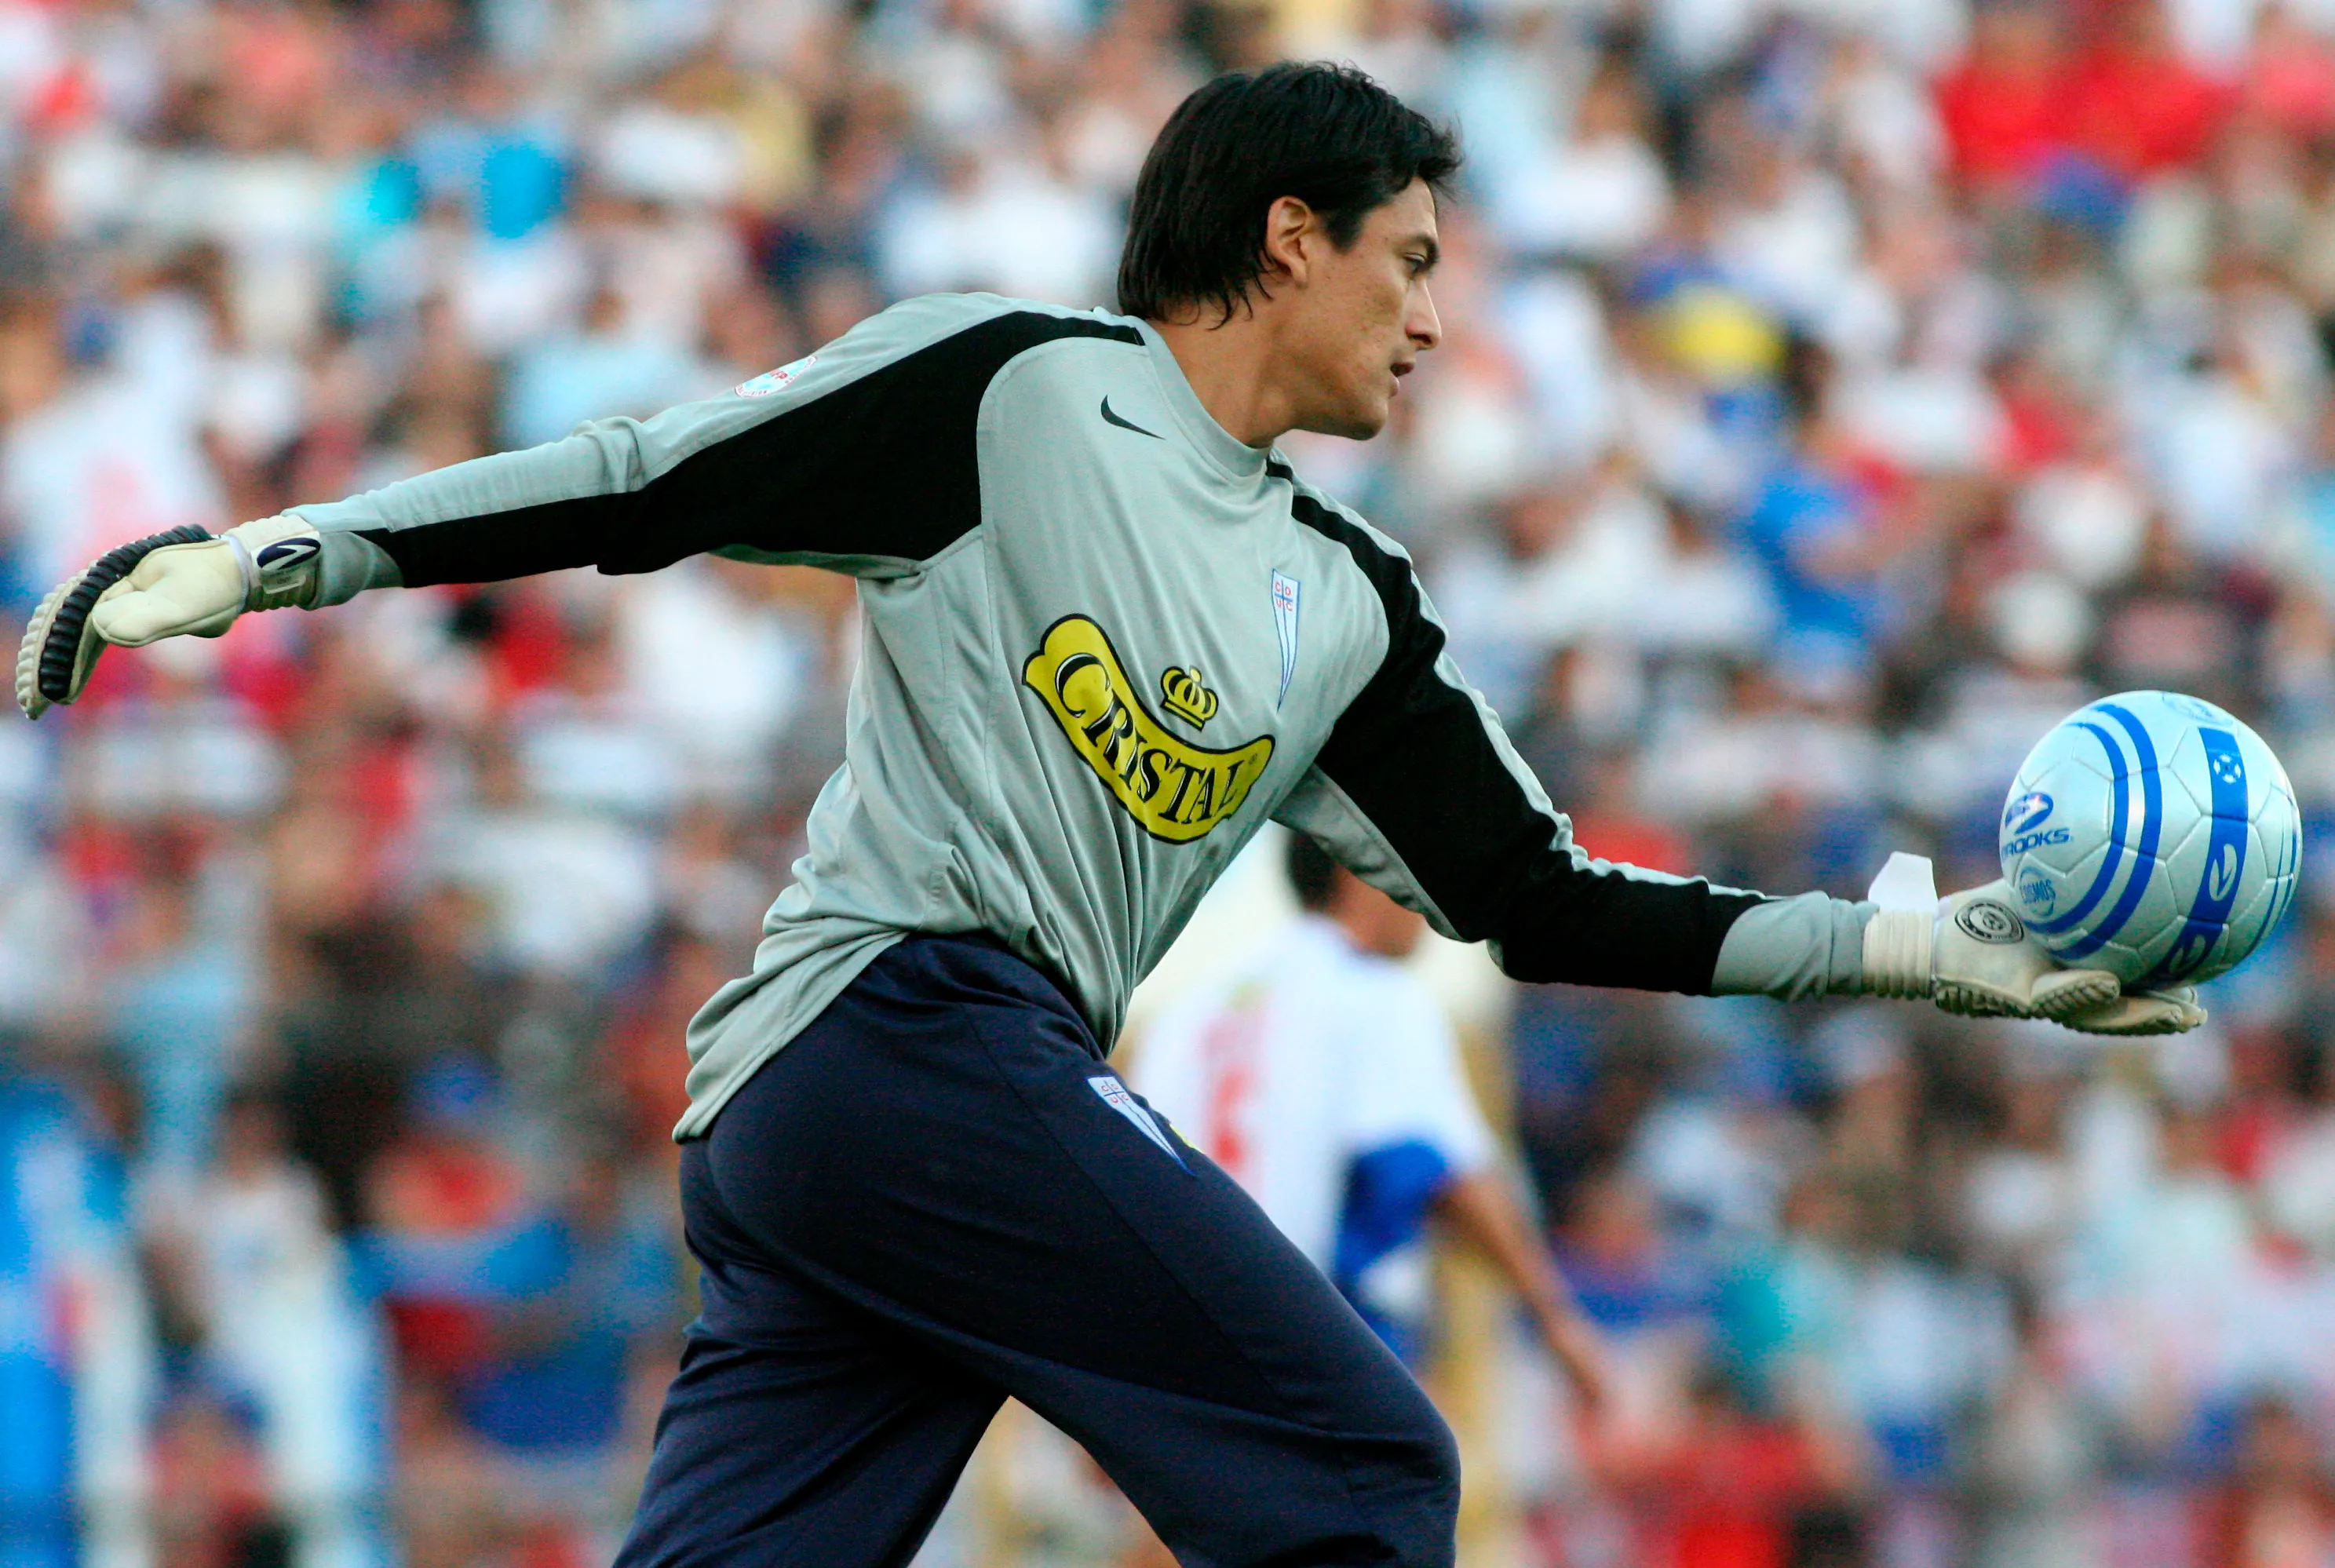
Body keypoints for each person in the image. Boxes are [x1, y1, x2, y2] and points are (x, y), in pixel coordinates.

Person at [16, 60, 2202, 1568]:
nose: (1437, 316)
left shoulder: (1340, 599)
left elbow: (1530, 901)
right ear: (1288, 234)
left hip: (858, 1135)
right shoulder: (1014, 384)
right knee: (1357, 1459)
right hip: (891, 1035)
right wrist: (281, 554)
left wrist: (1909, 944)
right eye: (1410, 259)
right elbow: (648, 478)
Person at [1134, 830, 1608, 1395]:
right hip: (1309, 1351)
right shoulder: (1373, 993)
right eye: (1420, 879)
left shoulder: (1191, 1011)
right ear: (1361, 874)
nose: (1434, 908)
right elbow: (1440, 1172)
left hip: (1175, 1357)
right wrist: (1556, 1317)